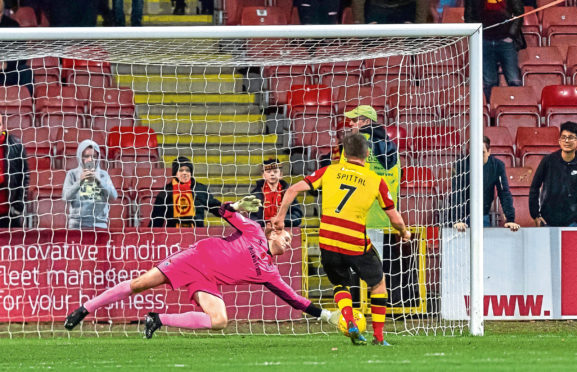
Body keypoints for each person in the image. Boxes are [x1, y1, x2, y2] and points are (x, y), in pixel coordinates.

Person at [64, 196, 338, 336]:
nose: (289, 242)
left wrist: (327, 315)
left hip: (208, 281)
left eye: (290, 241)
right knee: (138, 285)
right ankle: (84, 309)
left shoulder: (270, 272)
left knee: (220, 321)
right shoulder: (254, 230)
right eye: (286, 237)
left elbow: (296, 300)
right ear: (273, 233)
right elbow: (219, 211)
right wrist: (237, 204)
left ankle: (157, 319)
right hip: (193, 259)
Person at [272, 133, 411, 346]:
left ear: (344, 153)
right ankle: (379, 337)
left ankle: (349, 320)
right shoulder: (376, 181)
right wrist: (404, 233)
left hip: (327, 240)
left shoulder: (329, 171)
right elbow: (394, 217)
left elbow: (291, 189)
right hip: (354, 242)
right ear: (367, 154)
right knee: (378, 284)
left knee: (340, 283)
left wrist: (280, 217)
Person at [342, 105, 400, 229]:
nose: (350, 123)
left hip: (359, 219)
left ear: (367, 122)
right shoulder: (393, 148)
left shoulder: (352, 145)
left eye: (355, 120)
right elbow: (396, 181)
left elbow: (342, 179)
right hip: (386, 219)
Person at [449, 136, 520, 232]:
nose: (478, 157)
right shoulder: (460, 165)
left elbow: (504, 192)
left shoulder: (497, 166)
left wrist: (510, 219)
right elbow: (456, 193)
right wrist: (458, 220)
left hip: (483, 214)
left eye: (482, 153)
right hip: (463, 216)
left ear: (489, 152)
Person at [464, 0, 525, 101]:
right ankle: (492, 111)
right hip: (484, 41)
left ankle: (516, 109)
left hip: (506, 41)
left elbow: (519, 13)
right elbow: (469, 17)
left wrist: (511, 35)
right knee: (489, 82)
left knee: (513, 79)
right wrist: (478, 34)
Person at [149, 156, 221, 228]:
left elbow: (214, 207)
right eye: (181, 170)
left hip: (197, 233)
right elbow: (156, 220)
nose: (184, 173)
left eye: (187, 170)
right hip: (174, 234)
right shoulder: (166, 191)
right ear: (175, 173)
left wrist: (227, 208)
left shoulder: (200, 189)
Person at [529, 121, 577, 227]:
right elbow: (534, 187)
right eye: (564, 137)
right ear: (559, 141)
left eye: (571, 137)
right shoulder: (548, 160)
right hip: (549, 220)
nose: (567, 141)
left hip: (573, 222)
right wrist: (535, 215)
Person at [62, 140, 118, 229]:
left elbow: (113, 197)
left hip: (99, 224)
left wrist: (99, 181)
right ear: (80, 157)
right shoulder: (72, 174)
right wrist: (79, 182)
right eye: (86, 156)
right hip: (77, 224)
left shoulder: (103, 175)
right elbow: (65, 197)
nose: (90, 160)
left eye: (94, 156)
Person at [249, 159, 302, 228]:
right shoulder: (255, 194)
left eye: (275, 171)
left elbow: (297, 217)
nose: (272, 174)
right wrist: (266, 222)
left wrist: (280, 220)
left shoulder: (288, 192)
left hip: (284, 230)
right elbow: (251, 217)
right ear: (263, 175)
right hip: (262, 230)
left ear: (281, 174)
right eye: (268, 172)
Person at [0, 115, 29, 228]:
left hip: (9, 213)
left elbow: (24, 177)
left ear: (3, 127)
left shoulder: (16, 146)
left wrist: (18, 207)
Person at [0, 0, 33, 95]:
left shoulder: (12, 26)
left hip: (7, 71)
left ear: (3, 12)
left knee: (25, 71)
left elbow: (22, 57)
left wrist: (6, 65)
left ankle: (27, 104)